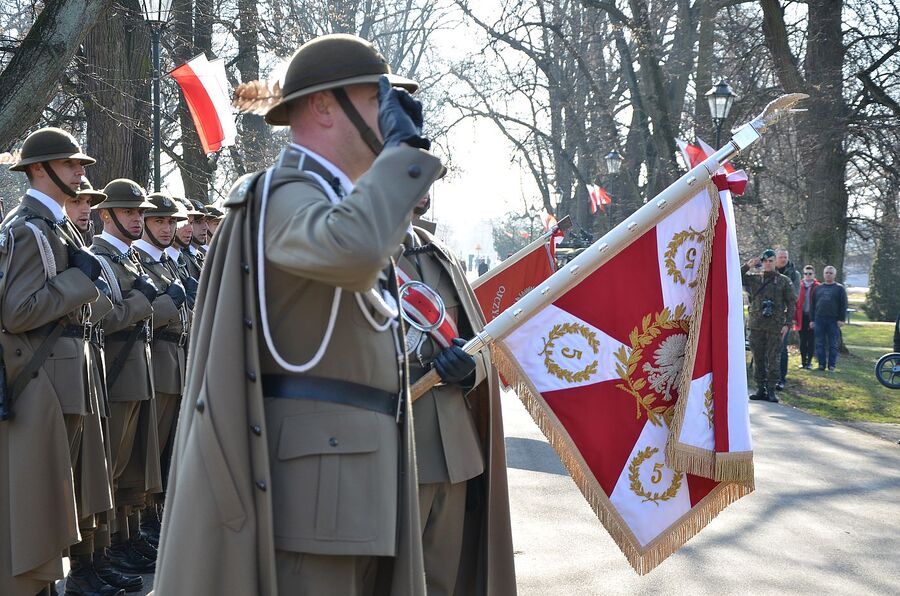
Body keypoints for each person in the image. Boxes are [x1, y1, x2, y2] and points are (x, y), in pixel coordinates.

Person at [155, 33, 443, 596]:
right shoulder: (286, 192)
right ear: (322, 105)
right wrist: (404, 160)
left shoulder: (336, 198)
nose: (391, 116)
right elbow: (352, 254)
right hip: (318, 499)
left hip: (350, 490)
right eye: (375, 100)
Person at [0, 127, 109, 596]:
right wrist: (75, 283)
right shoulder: (28, 230)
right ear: (39, 170)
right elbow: (17, 311)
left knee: (48, 509)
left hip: (59, 381)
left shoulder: (53, 227)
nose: (80, 173)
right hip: (38, 381)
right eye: (71, 165)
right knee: (34, 509)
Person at [401, 194, 516, 595]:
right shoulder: (355, 254)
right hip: (393, 441)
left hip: (453, 446)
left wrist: (469, 372)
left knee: (443, 580)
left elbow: (481, 346)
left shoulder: (439, 256)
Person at [90, 179, 162, 588]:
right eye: (131, 212)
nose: (139, 219)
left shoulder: (130, 258)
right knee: (110, 469)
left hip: (141, 369)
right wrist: (144, 302)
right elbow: (110, 316)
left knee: (135, 462)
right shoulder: (100, 257)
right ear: (108, 215)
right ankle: (107, 548)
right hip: (117, 371)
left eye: (140, 213)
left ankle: (127, 538)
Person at [742, 248, 795, 402]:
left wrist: (787, 324)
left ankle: (771, 390)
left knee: (774, 358)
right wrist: (748, 265)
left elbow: (791, 303)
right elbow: (735, 277)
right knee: (758, 358)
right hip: (757, 324)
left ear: (775, 262)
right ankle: (760, 388)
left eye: (771, 261)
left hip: (775, 326)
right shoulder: (755, 278)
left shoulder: (784, 280)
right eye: (765, 261)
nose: (768, 263)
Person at [810, 265, 848, 371]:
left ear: (835, 275)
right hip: (819, 319)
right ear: (823, 274)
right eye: (826, 272)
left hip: (833, 320)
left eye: (831, 273)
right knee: (819, 343)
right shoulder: (818, 288)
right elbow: (812, 305)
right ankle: (821, 365)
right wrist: (812, 320)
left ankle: (832, 365)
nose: (828, 274)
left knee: (833, 344)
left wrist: (842, 319)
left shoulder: (839, 289)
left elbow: (843, 305)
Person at [775, 249, 800, 388]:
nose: (783, 259)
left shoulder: (794, 274)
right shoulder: (769, 270)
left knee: (782, 348)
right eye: (780, 257)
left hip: (784, 316)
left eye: (785, 257)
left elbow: (794, 296)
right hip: (768, 316)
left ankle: (781, 379)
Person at [793, 265, 820, 369]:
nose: (808, 276)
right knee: (802, 340)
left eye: (810, 274)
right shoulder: (799, 286)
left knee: (811, 340)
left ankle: (809, 362)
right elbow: (795, 303)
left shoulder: (818, 286)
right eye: (806, 274)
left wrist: (815, 319)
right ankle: (803, 361)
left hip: (812, 317)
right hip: (801, 317)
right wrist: (794, 318)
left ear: (813, 274)